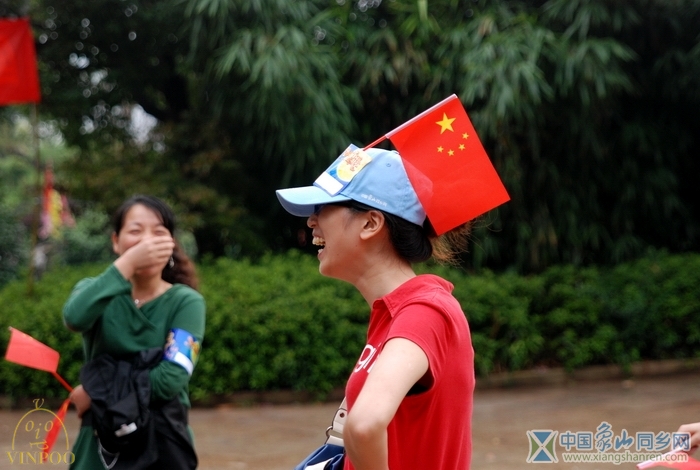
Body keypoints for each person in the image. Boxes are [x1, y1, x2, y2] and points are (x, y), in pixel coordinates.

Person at [276, 145, 479, 470]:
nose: (311, 220)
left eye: (323, 207)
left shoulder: (425, 311)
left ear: (371, 223)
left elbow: (364, 425)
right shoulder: (395, 313)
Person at [63, 194, 206, 470]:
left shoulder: (186, 302)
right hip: (100, 442)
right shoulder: (94, 292)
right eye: (135, 231)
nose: (147, 242)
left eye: (158, 232)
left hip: (163, 442)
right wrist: (127, 265)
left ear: (171, 243)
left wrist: (96, 393)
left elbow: (171, 378)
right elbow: (74, 318)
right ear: (115, 241)